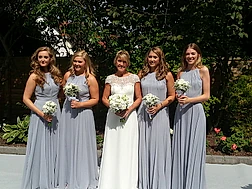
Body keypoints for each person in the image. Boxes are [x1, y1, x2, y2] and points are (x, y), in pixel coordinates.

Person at [98, 50, 142, 189]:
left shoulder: (134, 78)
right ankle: (110, 180)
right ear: (115, 62)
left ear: (127, 63)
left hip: (129, 117)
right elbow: (104, 98)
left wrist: (128, 110)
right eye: (119, 61)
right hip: (113, 117)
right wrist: (113, 107)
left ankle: (127, 181)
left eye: (124, 62)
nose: (121, 64)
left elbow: (139, 97)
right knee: (113, 146)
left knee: (127, 146)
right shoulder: (110, 79)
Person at [56, 50, 99, 189]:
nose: (76, 64)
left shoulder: (90, 79)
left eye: (79, 61)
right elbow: (62, 92)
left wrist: (80, 104)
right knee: (67, 142)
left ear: (85, 63)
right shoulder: (68, 75)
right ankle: (66, 176)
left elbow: (95, 99)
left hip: (83, 114)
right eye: (75, 61)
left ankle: (82, 176)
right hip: (68, 113)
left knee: (82, 144)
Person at [21, 46, 62, 189]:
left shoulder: (56, 75)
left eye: (46, 57)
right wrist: (41, 114)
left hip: (56, 112)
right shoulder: (34, 76)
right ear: (36, 59)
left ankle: (54, 176)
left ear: (51, 59)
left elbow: (60, 94)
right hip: (40, 112)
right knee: (40, 145)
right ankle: (39, 178)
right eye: (40, 57)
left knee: (56, 144)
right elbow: (26, 98)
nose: (43, 60)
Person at [171, 43, 210, 189]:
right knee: (180, 147)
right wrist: (178, 97)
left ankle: (194, 184)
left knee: (194, 147)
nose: (190, 56)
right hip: (181, 113)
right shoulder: (180, 72)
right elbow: (178, 92)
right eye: (187, 54)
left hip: (195, 112)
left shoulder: (203, 71)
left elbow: (206, 96)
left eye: (193, 53)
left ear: (198, 55)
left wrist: (190, 100)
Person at [137, 46, 175, 189]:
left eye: (155, 57)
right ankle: (145, 181)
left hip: (160, 113)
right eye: (150, 57)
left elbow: (172, 96)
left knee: (158, 145)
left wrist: (159, 106)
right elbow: (138, 95)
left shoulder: (167, 75)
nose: (152, 60)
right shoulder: (141, 74)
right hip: (143, 113)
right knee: (144, 145)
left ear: (160, 59)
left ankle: (159, 181)